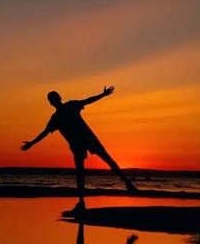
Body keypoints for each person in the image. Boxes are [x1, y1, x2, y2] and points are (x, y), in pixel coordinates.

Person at [21, 85, 137, 215]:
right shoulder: (60, 114)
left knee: (95, 165)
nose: (55, 100)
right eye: (54, 98)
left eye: (53, 98)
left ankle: (125, 185)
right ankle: (125, 185)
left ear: (52, 102)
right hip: (81, 143)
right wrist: (32, 143)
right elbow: (45, 132)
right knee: (95, 166)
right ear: (56, 100)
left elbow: (87, 101)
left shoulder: (66, 110)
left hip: (85, 140)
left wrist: (102, 95)